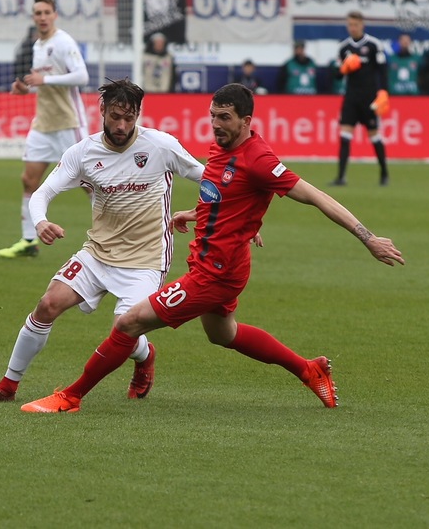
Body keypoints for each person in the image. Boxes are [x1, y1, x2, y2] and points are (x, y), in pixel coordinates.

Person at [20, 83, 405, 414]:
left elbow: (316, 196)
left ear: (246, 122)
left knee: (128, 323)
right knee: (223, 334)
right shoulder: (221, 148)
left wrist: (367, 236)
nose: (216, 125)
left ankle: (70, 396)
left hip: (214, 273)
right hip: (221, 262)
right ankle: (309, 369)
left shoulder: (259, 159)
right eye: (213, 116)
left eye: (225, 118)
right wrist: (195, 213)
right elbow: (224, 195)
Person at [0, 78, 206, 403]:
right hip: (97, 253)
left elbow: (207, 178)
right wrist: (40, 221)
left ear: (138, 114)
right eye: (115, 116)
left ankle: (145, 357)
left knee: (124, 330)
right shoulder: (82, 153)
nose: (122, 125)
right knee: (47, 305)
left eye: (129, 117)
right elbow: (43, 193)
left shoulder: (161, 146)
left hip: (145, 260)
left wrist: (227, 215)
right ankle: (7, 386)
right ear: (102, 112)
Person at [0, 0, 90, 258]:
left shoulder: (63, 42)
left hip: (67, 122)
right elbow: (42, 83)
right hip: (43, 122)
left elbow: (82, 76)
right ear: (33, 16)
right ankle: (29, 241)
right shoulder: (38, 45)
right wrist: (26, 89)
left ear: (55, 15)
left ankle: (114, 231)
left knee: (89, 182)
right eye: (37, 12)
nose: (42, 17)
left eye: (46, 12)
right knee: (29, 180)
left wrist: (44, 79)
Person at [330, 11, 390, 187]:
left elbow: (382, 70)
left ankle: (384, 173)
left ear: (362, 25)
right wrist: (344, 69)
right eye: (350, 25)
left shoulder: (373, 45)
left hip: (369, 99)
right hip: (351, 98)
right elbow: (337, 76)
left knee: (374, 136)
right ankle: (341, 177)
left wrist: (384, 92)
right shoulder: (343, 47)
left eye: (355, 25)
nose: (352, 28)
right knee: (345, 136)